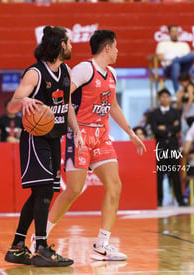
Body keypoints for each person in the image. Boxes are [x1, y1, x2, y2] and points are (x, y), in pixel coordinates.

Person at [46, 29, 146, 261]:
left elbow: (114, 107)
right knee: (73, 190)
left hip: (102, 136)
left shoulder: (112, 73)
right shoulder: (84, 69)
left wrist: (130, 133)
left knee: (115, 185)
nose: (119, 51)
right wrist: (74, 130)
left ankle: (102, 244)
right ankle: (41, 237)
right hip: (79, 134)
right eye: (117, 46)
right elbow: (64, 97)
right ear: (107, 47)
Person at [4, 26, 83, 267]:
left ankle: (18, 247)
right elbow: (11, 106)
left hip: (54, 138)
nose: (71, 46)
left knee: (41, 192)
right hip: (34, 138)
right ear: (61, 45)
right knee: (45, 192)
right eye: (68, 42)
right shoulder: (35, 74)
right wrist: (23, 100)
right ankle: (41, 248)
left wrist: (77, 132)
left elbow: (67, 106)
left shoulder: (67, 71)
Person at [148, 88, 185, 207]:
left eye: (167, 97)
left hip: (173, 145)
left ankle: (180, 199)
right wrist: (170, 127)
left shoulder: (175, 112)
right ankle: (159, 200)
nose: (165, 99)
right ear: (159, 99)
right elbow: (155, 129)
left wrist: (165, 128)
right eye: (162, 97)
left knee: (175, 173)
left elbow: (178, 128)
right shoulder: (154, 114)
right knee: (159, 174)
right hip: (160, 145)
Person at [155, 24, 194, 92]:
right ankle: (177, 91)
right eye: (173, 32)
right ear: (169, 33)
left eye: (176, 32)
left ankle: (176, 60)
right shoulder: (162, 44)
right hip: (169, 68)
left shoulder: (184, 45)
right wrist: (172, 60)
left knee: (193, 54)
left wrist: (176, 60)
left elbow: (188, 59)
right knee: (175, 65)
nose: (175, 34)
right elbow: (160, 57)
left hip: (184, 69)